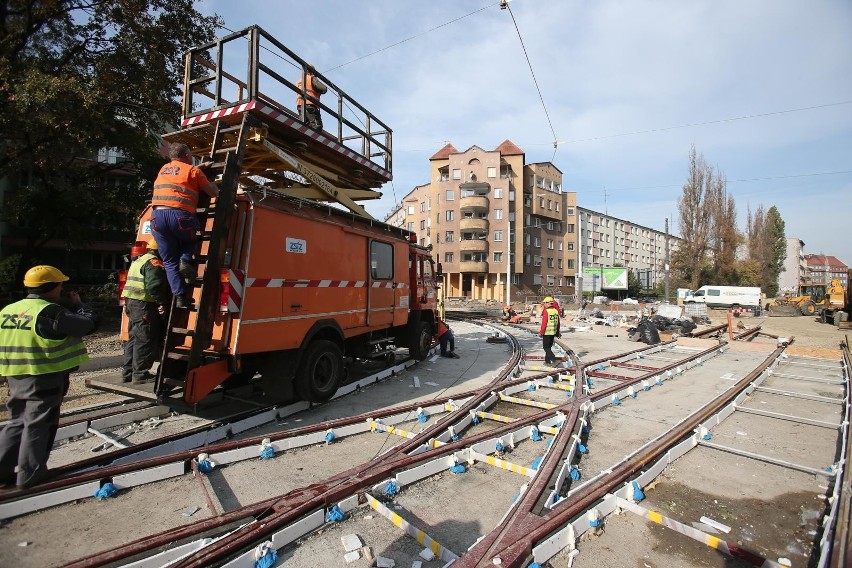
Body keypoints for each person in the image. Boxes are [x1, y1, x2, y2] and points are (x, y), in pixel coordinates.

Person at [0, 265, 99, 489]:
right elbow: (88, 324)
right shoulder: (49, 312)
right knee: (38, 424)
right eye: (60, 284)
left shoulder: (9, 310)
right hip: (43, 376)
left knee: (16, 421)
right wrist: (80, 306)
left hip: (15, 375)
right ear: (53, 287)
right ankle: (31, 475)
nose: (62, 287)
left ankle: (2, 472)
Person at [150, 142, 219, 309]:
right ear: (187, 156)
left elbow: (178, 172)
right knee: (191, 240)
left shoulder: (163, 169)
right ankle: (185, 260)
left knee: (168, 262)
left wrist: (199, 167)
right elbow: (213, 192)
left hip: (157, 217)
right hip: (180, 216)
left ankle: (180, 297)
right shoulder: (194, 171)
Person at [121, 238, 170, 384]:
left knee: (134, 338)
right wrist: (162, 302)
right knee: (145, 338)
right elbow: (154, 286)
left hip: (132, 303)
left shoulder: (138, 260)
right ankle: (141, 374)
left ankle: (128, 373)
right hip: (143, 305)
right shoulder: (153, 263)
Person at [296, 65, 327, 130]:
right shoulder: (311, 78)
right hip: (310, 105)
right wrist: (315, 78)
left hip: (300, 106)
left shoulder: (299, 81)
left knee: (305, 126)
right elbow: (323, 89)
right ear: (312, 71)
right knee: (317, 127)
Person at [539, 298, 562, 366]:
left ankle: (554, 360)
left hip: (547, 332)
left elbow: (544, 323)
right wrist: (557, 332)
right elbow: (558, 322)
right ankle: (547, 361)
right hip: (553, 332)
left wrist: (541, 332)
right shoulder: (555, 311)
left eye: (545, 303)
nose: (544, 305)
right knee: (549, 347)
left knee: (546, 348)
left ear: (548, 303)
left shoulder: (547, 311)